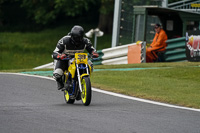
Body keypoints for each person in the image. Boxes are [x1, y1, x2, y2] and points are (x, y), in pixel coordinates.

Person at [52, 25, 99, 90]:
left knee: (90, 64)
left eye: (80, 37)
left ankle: (84, 78)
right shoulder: (64, 40)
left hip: (79, 58)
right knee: (57, 73)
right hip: (64, 59)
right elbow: (54, 53)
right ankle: (61, 83)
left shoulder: (86, 41)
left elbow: (92, 49)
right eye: (76, 38)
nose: (78, 40)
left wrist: (94, 53)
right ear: (71, 36)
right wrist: (60, 56)